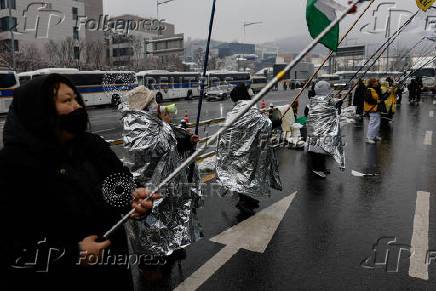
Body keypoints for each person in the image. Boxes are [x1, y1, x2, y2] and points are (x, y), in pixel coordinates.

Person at [0, 74, 157, 291]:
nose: (78, 106)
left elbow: (119, 186)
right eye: (67, 101)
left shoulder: (92, 146)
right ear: (39, 111)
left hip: (113, 275)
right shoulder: (14, 164)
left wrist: (134, 200)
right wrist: (72, 254)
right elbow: (12, 245)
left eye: (76, 99)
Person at [121, 86, 201, 280]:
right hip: (148, 190)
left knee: (167, 223)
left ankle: (170, 252)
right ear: (143, 106)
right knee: (150, 232)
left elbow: (172, 143)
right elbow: (157, 147)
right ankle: (149, 269)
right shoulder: (136, 125)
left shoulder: (153, 123)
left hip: (167, 186)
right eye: (151, 102)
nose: (155, 105)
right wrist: (165, 125)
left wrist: (188, 140)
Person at [216, 84, 282, 215]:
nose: (250, 92)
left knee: (247, 174)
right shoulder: (247, 108)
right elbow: (263, 124)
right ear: (244, 94)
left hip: (241, 150)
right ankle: (243, 202)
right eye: (247, 91)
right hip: (246, 152)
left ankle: (249, 199)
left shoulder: (236, 110)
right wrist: (275, 122)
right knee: (246, 175)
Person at [306, 81, 345, 178]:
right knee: (317, 152)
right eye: (328, 88)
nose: (329, 90)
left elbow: (332, 102)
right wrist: (337, 102)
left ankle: (322, 167)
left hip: (321, 130)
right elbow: (331, 103)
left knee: (322, 150)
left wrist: (337, 102)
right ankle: (317, 169)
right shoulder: (318, 100)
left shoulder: (317, 99)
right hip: (317, 131)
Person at [364, 78, 382, 144]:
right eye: (376, 81)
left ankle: (374, 136)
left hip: (376, 108)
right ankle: (369, 137)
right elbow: (367, 99)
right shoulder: (369, 89)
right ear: (373, 83)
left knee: (377, 123)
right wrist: (376, 101)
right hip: (372, 108)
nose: (377, 82)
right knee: (373, 123)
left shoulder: (376, 89)